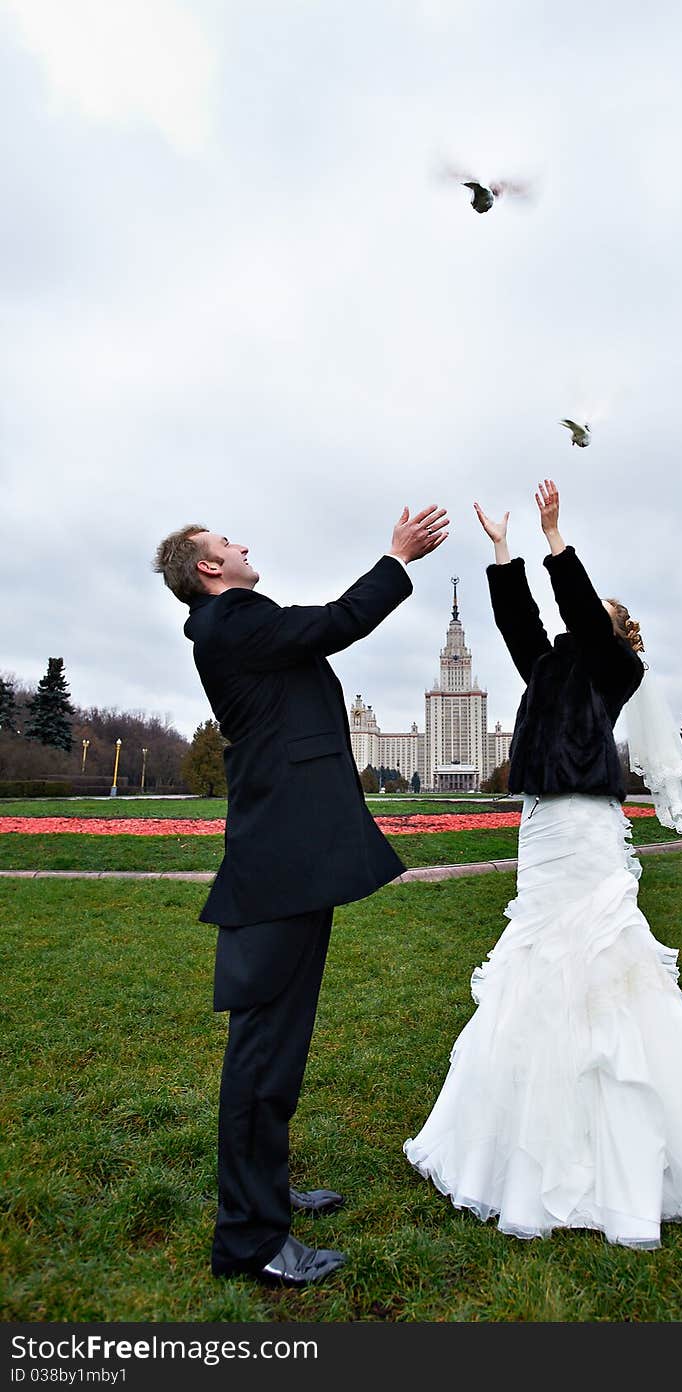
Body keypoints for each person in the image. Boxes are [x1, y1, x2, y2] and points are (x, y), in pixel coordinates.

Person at [404, 480, 682, 1249]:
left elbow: (574, 609)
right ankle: (522, 1134)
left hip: (585, 827)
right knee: (537, 965)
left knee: (599, 966)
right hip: (539, 829)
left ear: (613, 633)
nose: (578, 622)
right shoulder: (546, 666)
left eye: (593, 616)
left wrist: (555, 538)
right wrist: (504, 550)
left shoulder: (615, 670)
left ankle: (627, 1144)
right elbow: (520, 622)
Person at [153, 503, 448, 1285]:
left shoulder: (239, 627)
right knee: (263, 1054)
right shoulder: (233, 622)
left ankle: (267, 1189)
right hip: (278, 864)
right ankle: (250, 1240)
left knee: (280, 1046)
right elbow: (336, 622)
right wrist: (398, 559)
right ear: (209, 568)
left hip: (293, 857)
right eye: (227, 540)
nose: (242, 542)